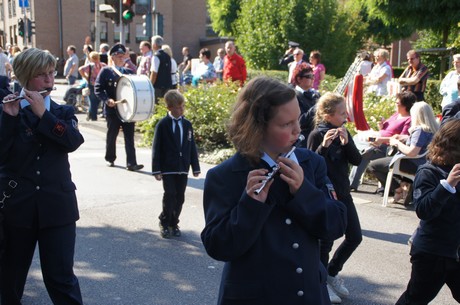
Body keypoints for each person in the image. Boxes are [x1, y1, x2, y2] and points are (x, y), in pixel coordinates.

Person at [201, 76, 347, 305]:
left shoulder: (311, 163)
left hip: (308, 295)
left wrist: (303, 191)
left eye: (297, 119)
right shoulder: (225, 175)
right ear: (257, 127)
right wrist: (249, 206)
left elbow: (336, 225)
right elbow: (218, 247)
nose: (298, 129)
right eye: (286, 124)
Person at [0, 47, 84, 304]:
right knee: (9, 280)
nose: (49, 80)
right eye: (42, 75)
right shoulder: (9, 110)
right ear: (26, 77)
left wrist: (43, 115)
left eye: (51, 73)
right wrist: (9, 121)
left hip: (58, 208)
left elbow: (72, 141)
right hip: (17, 208)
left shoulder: (62, 113)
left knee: (60, 279)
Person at [395, 118, 460, 305]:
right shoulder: (429, 172)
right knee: (415, 299)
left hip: (456, 250)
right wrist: (447, 185)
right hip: (433, 252)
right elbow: (424, 211)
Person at [307, 92, 363, 304]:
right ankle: (320, 283)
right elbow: (310, 165)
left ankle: (331, 272)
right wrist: (324, 146)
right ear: (328, 115)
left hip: (344, 193)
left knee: (355, 236)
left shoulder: (343, 132)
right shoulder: (315, 135)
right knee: (325, 243)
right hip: (325, 195)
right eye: (341, 113)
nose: (345, 116)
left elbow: (357, 161)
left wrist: (347, 142)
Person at [152, 90, 200, 238]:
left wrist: (195, 166)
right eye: (178, 107)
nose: (181, 110)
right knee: (170, 194)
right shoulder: (163, 125)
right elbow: (157, 147)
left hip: (182, 167)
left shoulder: (187, 124)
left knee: (180, 197)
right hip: (168, 168)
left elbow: (191, 146)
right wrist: (156, 169)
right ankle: (165, 222)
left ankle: (174, 222)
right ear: (169, 108)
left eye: (182, 106)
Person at [368, 101, 439, 203]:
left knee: (373, 166)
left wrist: (397, 143)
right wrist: (404, 138)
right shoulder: (433, 129)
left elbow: (412, 152)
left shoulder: (419, 130)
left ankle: (398, 190)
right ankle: (404, 186)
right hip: (424, 162)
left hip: (411, 163)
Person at [349, 92, 415, 191]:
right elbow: (385, 130)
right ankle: (365, 149)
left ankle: (352, 182)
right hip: (376, 139)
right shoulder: (396, 115)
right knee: (358, 137)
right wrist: (381, 126)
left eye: (397, 103)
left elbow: (401, 138)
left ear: (405, 105)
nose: (395, 104)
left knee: (364, 154)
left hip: (386, 146)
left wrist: (381, 140)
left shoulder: (408, 120)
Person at [94, 43, 144, 171]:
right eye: (119, 56)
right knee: (112, 135)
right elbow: (98, 89)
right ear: (113, 57)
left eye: (123, 56)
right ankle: (110, 158)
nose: (122, 58)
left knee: (129, 136)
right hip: (113, 109)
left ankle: (131, 163)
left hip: (127, 110)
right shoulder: (106, 71)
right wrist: (107, 100)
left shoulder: (129, 72)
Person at [292, 63, 320, 144]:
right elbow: (300, 121)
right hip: (303, 140)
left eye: (313, 76)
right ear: (299, 79)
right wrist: (317, 106)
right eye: (309, 77)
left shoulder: (315, 94)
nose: (312, 79)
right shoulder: (293, 96)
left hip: (317, 138)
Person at [78, 51, 106, 121]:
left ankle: (93, 116)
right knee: (98, 100)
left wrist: (85, 77)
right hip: (100, 84)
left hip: (91, 84)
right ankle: (91, 115)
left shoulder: (90, 65)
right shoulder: (102, 65)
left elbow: (80, 69)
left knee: (92, 101)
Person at [150, 35, 172, 103]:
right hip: (167, 85)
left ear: (154, 45)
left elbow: (154, 73)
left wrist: (150, 85)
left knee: (156, 106)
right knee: (165, 105)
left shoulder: (156, 56)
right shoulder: (167, 56)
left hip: (158, 86)